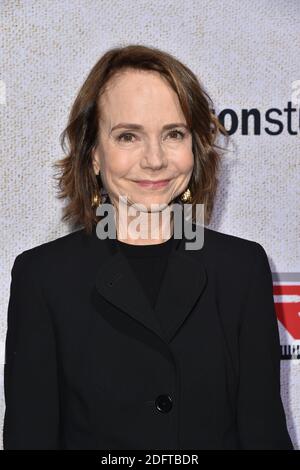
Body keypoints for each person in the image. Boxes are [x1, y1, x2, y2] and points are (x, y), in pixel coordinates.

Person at [3, 44, 293, 450]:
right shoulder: (44, 277)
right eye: (128, 136)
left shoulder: (241, 269)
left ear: (196, 146)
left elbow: (264, 435)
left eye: (173, 134)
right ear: (93, 156)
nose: (155, 160)